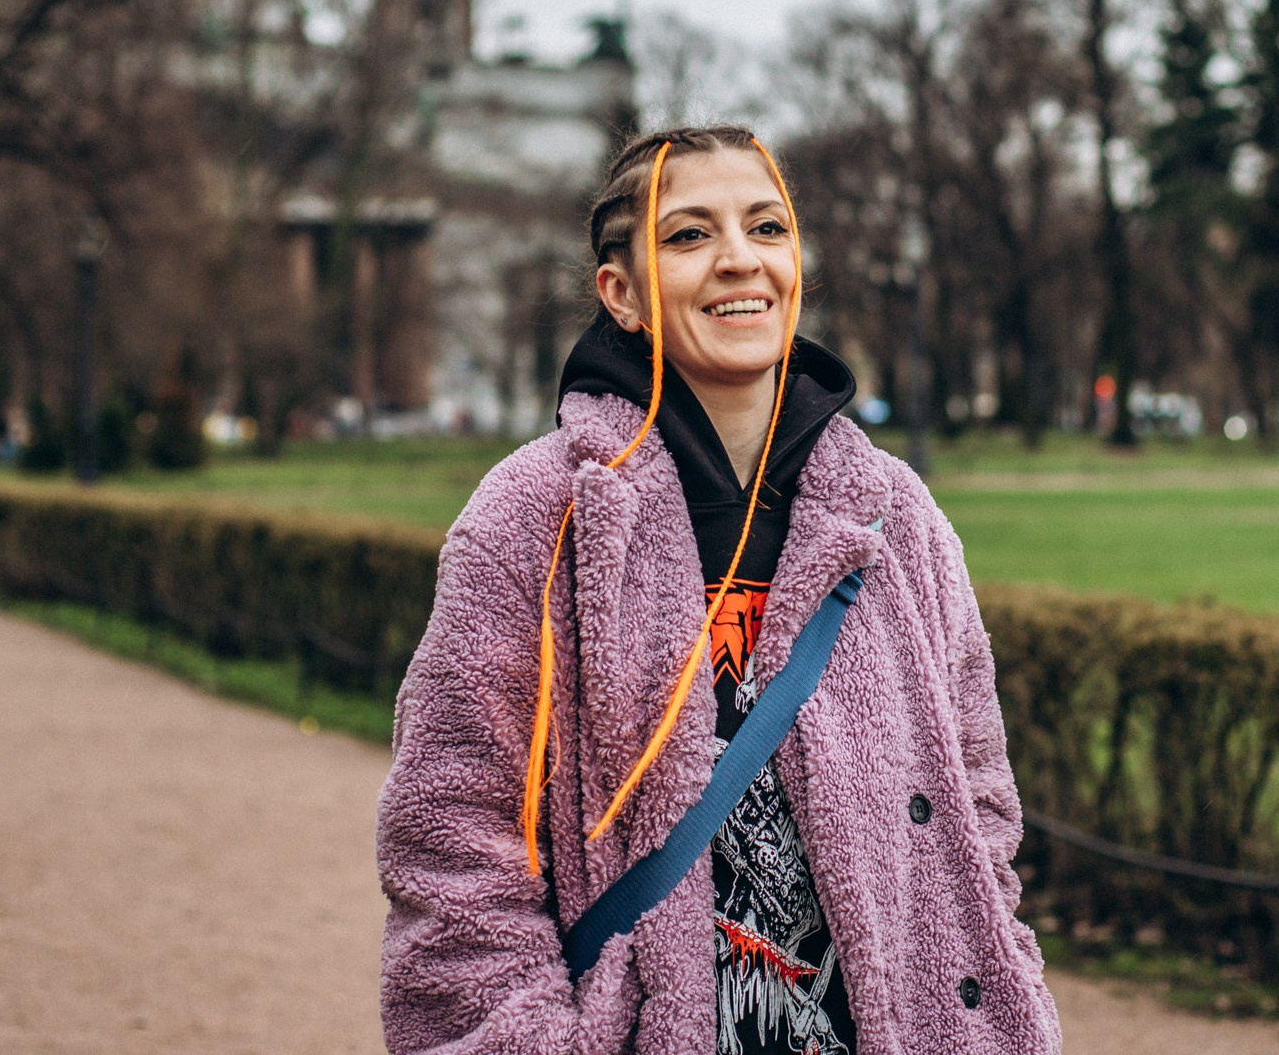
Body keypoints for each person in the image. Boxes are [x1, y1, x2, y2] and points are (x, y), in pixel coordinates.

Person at [376, 125, 1061, 1055]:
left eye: (767, 227)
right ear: (622, 294)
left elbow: (975, 806)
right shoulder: (536, 516)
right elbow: (451, 835)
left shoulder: (895, 513)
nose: (740, 259)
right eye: (689, 235)